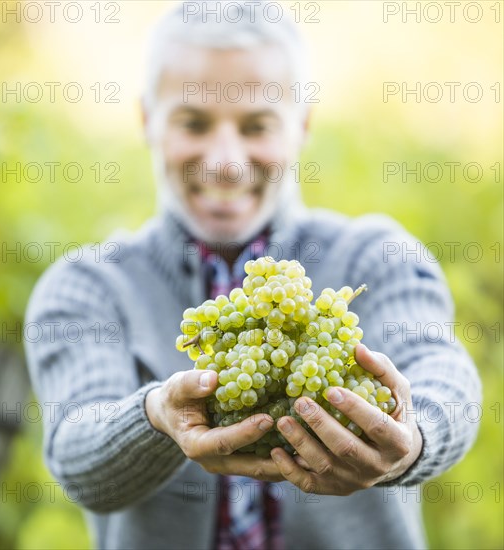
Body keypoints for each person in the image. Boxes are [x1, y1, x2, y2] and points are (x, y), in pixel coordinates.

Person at [25, 2, 481, 549]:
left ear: (302, 124)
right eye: (193, 122)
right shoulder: (87, 285)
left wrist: (413, 437)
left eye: (256, 125)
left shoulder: (376, 257)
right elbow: (78, 454)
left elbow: (443, 375)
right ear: (147, 120)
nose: (225, 160)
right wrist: (153, 416)